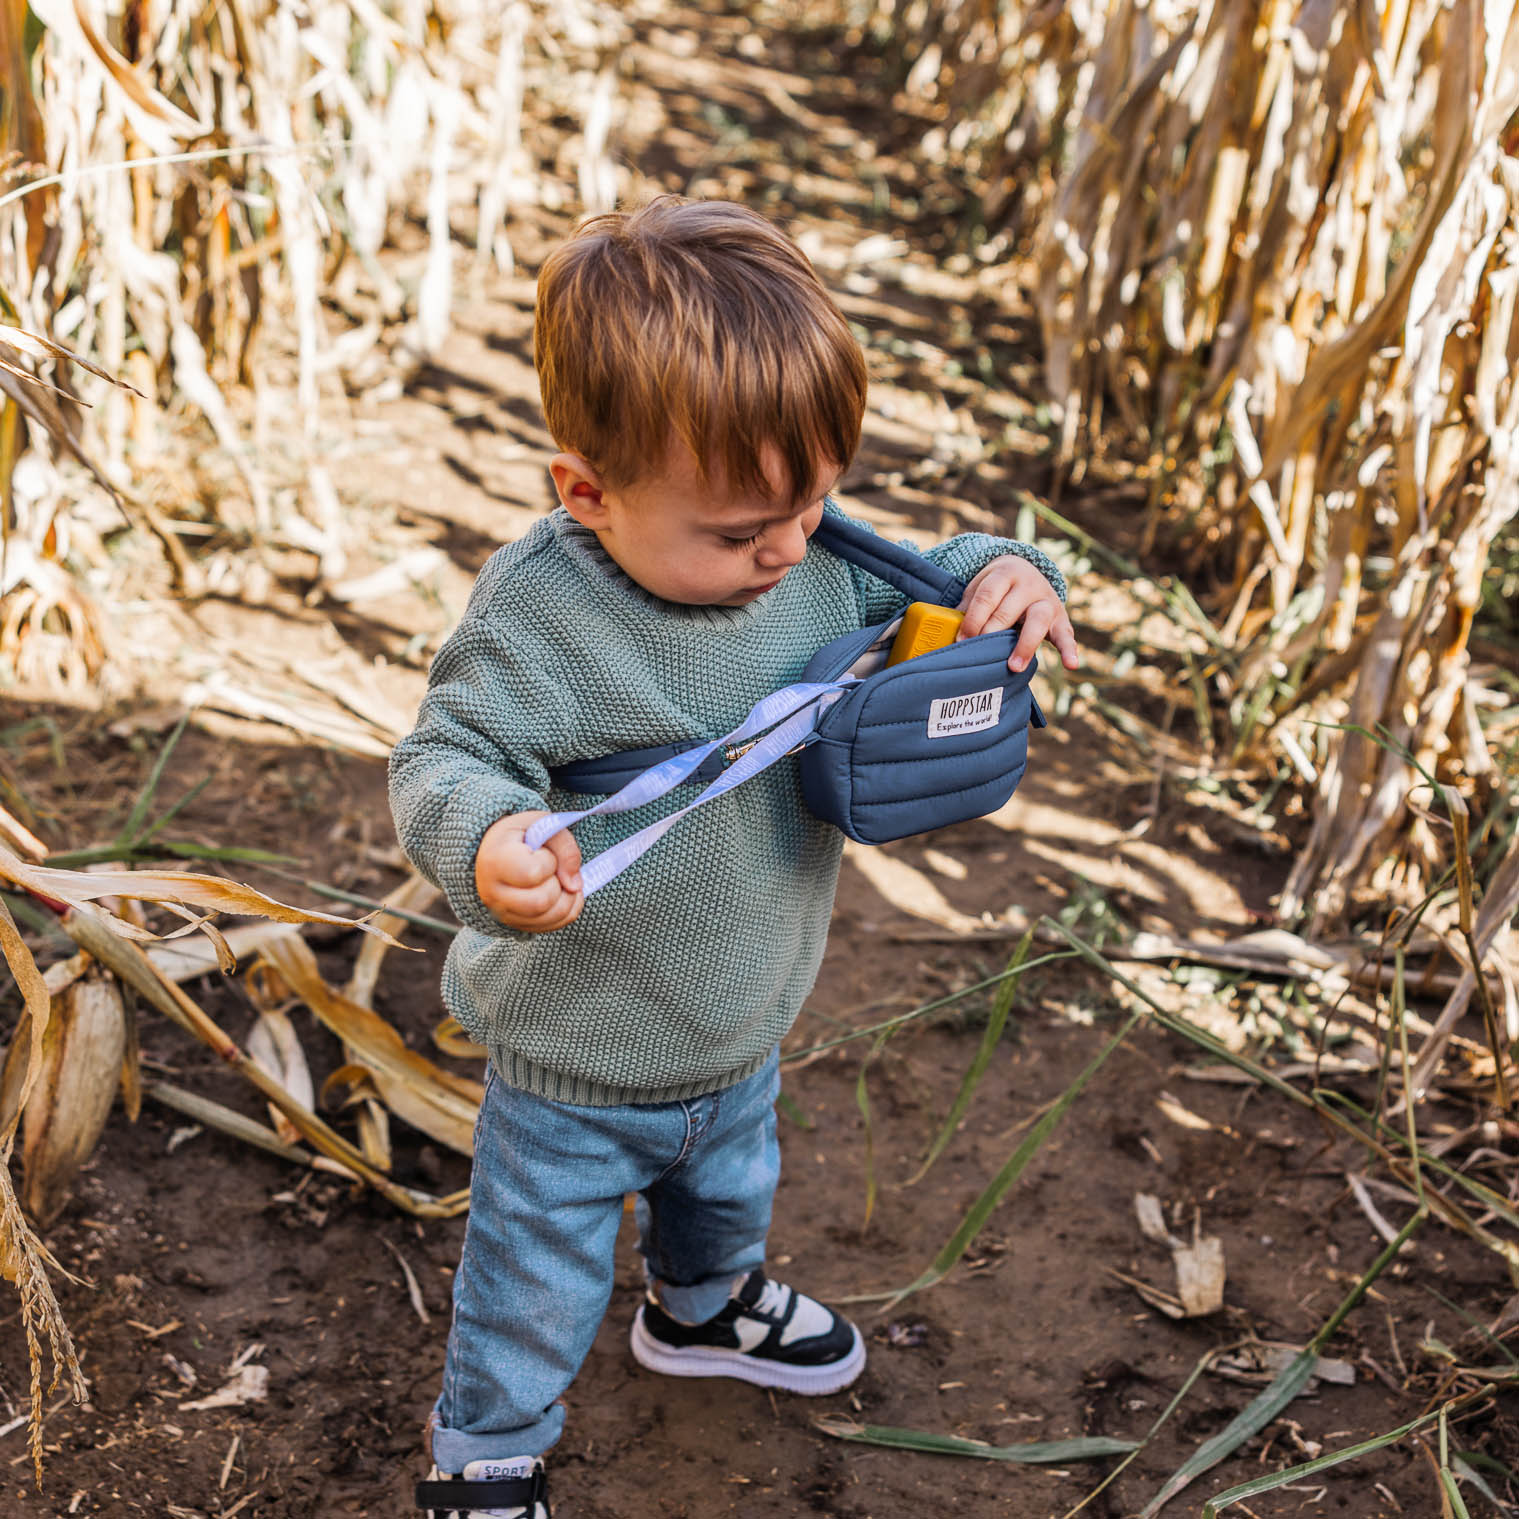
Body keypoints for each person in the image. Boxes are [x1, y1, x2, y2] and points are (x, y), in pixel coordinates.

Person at [388, 195, 1080, 1519]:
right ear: (588, 493)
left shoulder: (812, 557)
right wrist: (486, 843)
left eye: (816, 497)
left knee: (729, 1187)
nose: (788, 546)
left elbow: (939, 571)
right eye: (737, 529)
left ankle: (701, 1308)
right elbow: (444, 757)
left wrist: (1012, 575)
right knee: (533, 1270)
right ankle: (488, 1448)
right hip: (580, 1052)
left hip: (743, 1018)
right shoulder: (545, 611)